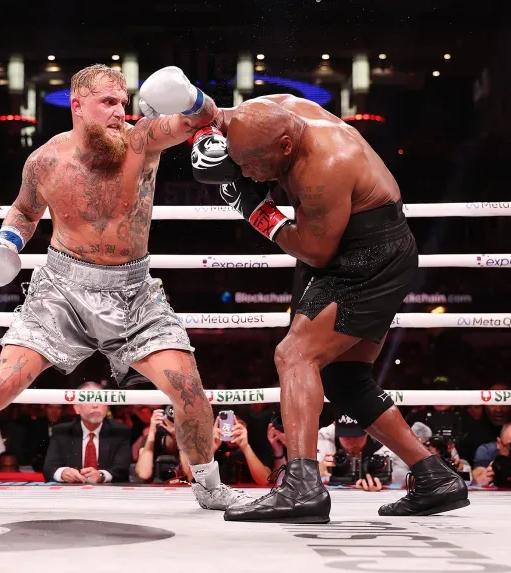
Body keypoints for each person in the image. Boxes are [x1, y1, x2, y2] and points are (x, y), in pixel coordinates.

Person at [0, 64, 249, 512]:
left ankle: (209, 487)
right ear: (77, 105)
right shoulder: (46, 160)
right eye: (108, 102)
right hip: (61, 290)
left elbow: (204, 120)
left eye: (123, 102)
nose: (120, 111)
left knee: (187, 386)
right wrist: (7, 244)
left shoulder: (143, 139)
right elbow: (25, 210)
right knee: (0, 385)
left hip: (132, 290)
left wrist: (191, 97)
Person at [139, 69, 468, 522]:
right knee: (346, 380)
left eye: (253, 166)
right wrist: (199, 116)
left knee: (295, 356)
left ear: (285, 149)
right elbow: (221, 117)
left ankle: (301, 487)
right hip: (354, 247)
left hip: (366, 255)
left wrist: (255, 210)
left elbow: (315, 250)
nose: (249, 174)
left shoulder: (326, 166)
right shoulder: (273, 115)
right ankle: (435, 477)